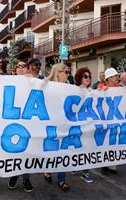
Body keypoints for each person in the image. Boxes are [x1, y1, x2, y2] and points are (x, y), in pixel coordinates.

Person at [7, 60, 33, 193]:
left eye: (24, 66)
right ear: (15, 69)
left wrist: (32, 81)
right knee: (15, 152)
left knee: (26, 151)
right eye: (19, 66)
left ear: (27, 69)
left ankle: (26, 179)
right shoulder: (8, 81)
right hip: (13, 123)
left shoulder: (32, 81)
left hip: (27, 123)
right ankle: (14, 174)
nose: (21, 68)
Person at [44, 63, 70, 192]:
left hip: (64, 125)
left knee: (63, 151)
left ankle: (62, 179)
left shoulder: (70, 87)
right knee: (51, 150)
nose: (68, 75)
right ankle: (47, 170)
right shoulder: (46, 86)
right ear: (58, 73)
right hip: (50, 125)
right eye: (66, 72)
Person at [73, 67, 94, 183]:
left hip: (88, 125)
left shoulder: (92, 91)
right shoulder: (74, 90)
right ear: (79, 78)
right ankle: (75, 165)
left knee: (87, 148)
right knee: (76, 147)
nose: (88, 79)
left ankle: (85, 172)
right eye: (85, 76)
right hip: (77, 124)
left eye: (89, 76)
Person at [98, 67, 119, 174]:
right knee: (105, 142)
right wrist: (101, 91)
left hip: (114, 119)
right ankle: (104, 164)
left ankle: (112, 165)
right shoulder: (101, 87)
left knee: (113, 142)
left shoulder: (119, 88)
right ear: (109, 78)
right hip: (104, 120)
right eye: (115, 76)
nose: (117, 78)